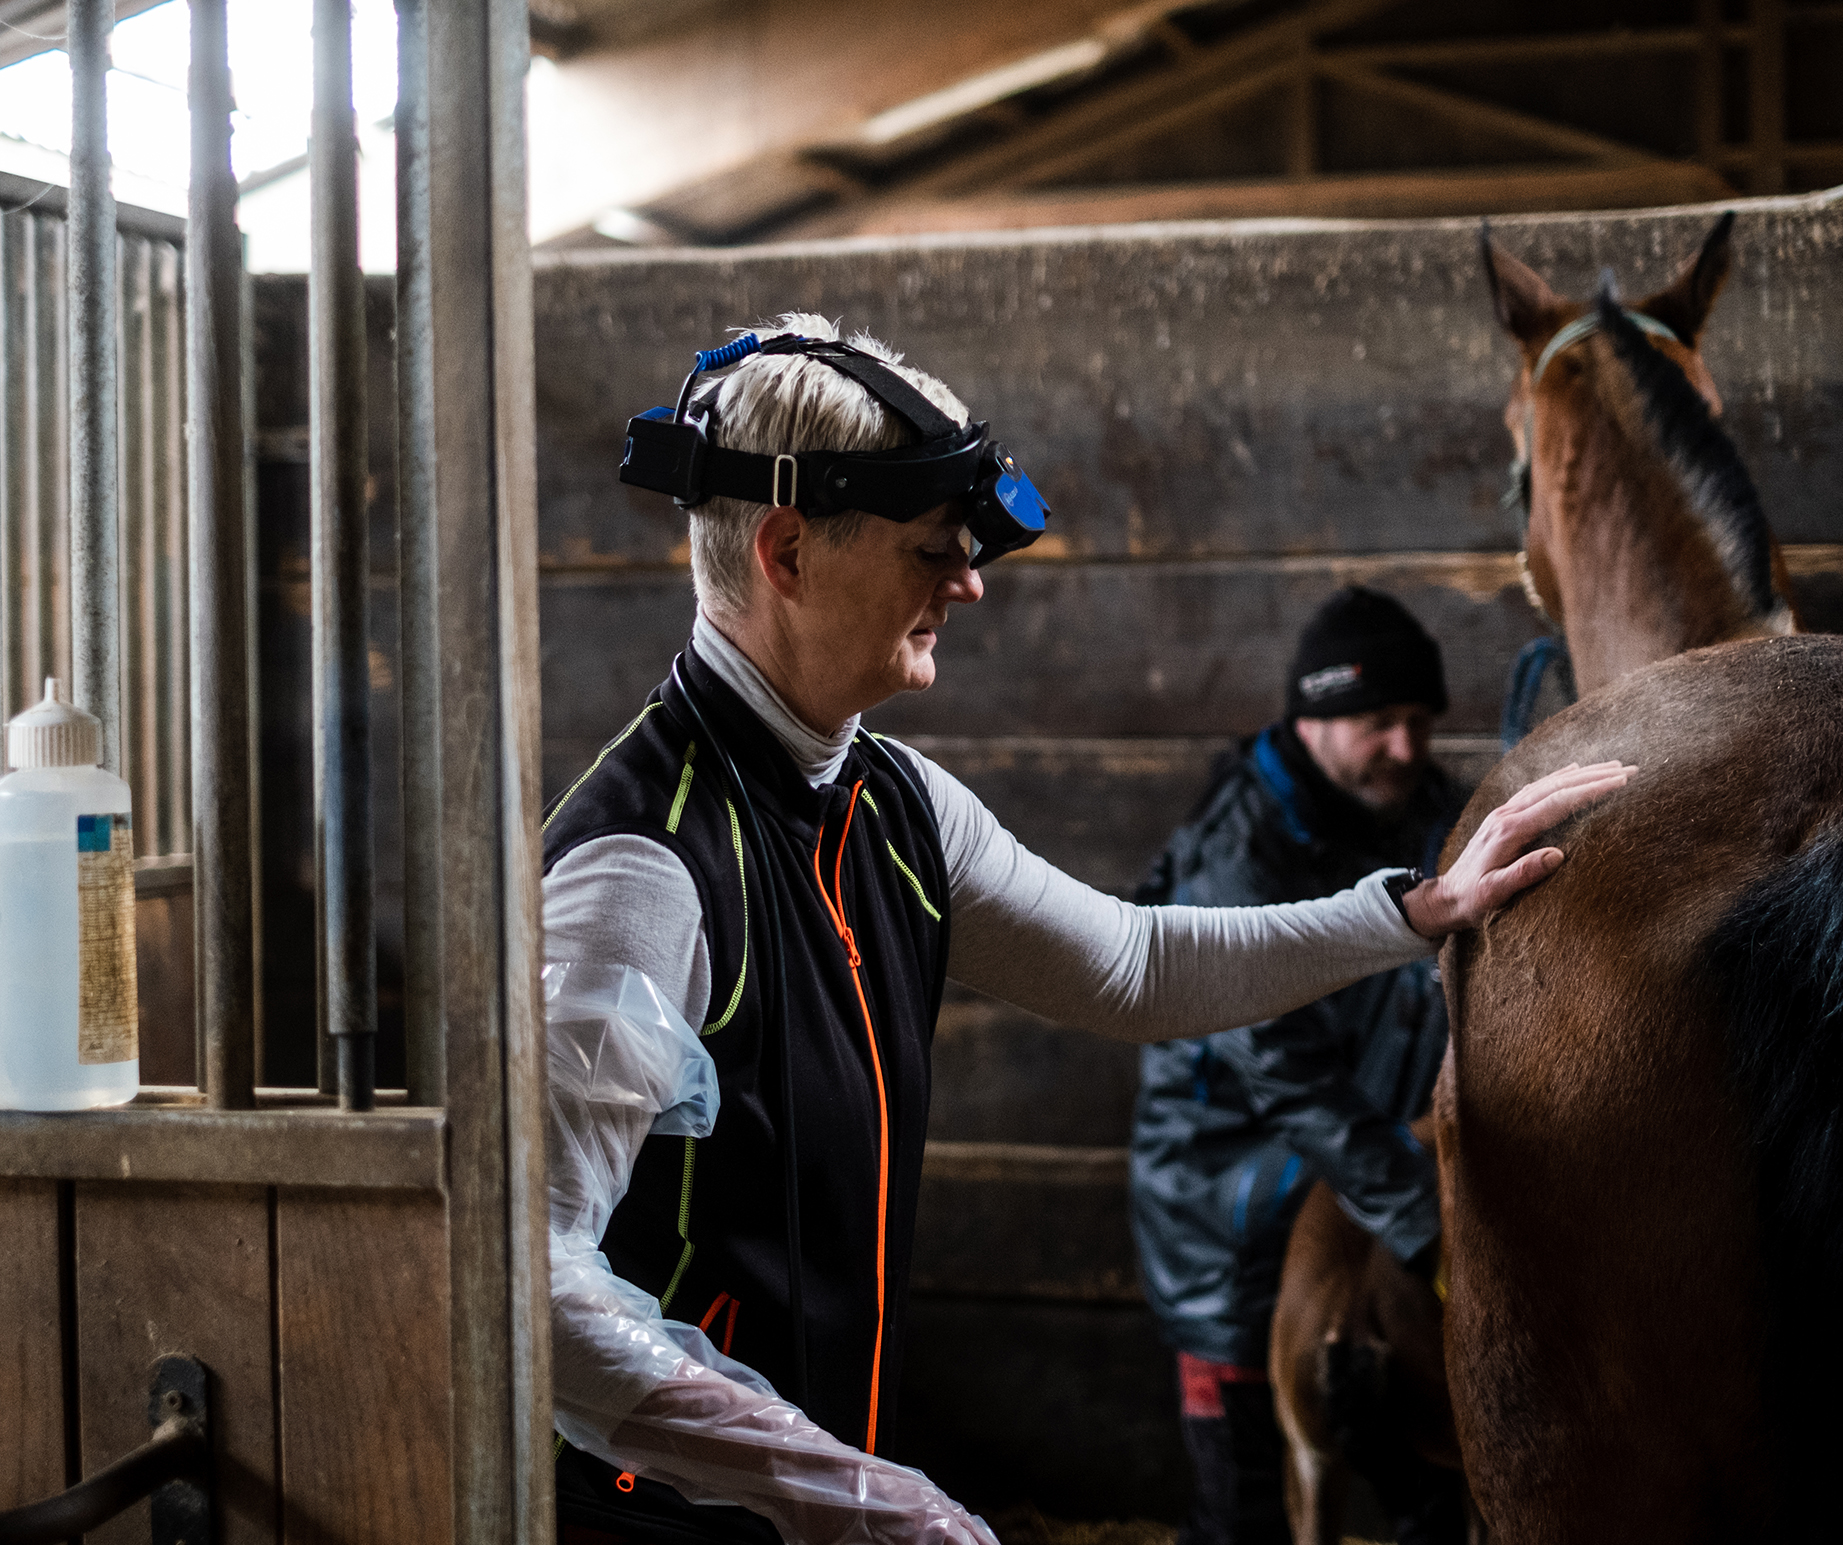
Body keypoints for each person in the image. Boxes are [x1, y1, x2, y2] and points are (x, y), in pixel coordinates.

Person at [539, 314, 1634, 1545]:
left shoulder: (896, 805)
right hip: (654, 1520)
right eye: (930, 551)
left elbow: (1133, 964)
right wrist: (858, 1495)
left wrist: (1413, 910)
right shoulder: (642, 869)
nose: (966, 584)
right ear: (787, 550)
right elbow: (533, 1279)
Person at [1128, 588, 1468, 1545]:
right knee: (1245, 1514)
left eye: (1419, 721)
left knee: (1436, 1495)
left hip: (1370, 1205)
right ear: (1312, 717)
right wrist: (1433, 1231)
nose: (1406, 746)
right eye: (1378, 722)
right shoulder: (1234, 857)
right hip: (1233, 1213)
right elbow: (1288, 1074)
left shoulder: (1428, 811)